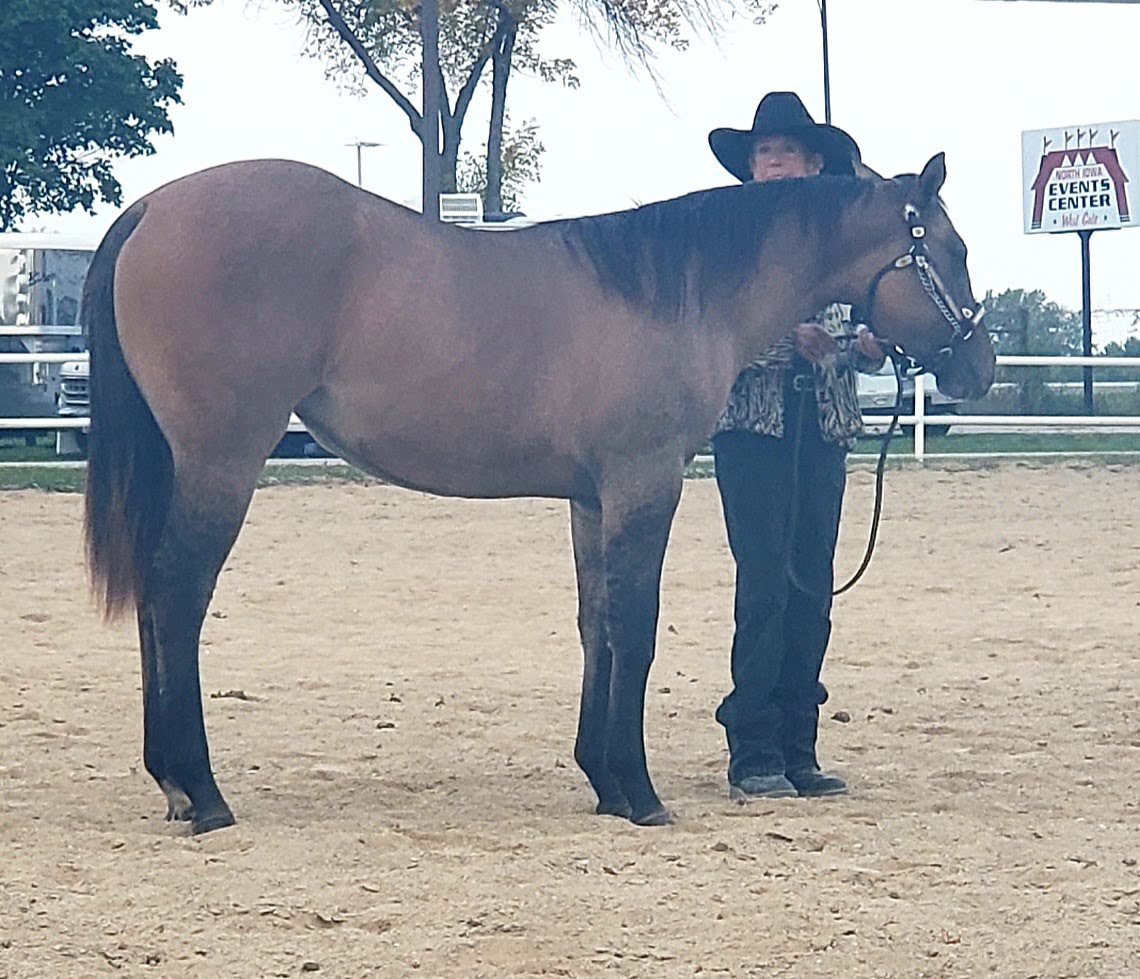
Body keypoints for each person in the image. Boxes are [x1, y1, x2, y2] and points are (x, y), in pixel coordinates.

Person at [707, 92, 886, 800]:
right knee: (765, 584)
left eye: (786, 152)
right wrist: (788, 341)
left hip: (824, 424)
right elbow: (715, 333)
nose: (773, 164)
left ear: (816, 164)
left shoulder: (841, 249)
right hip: (754, 426)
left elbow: (862, 324)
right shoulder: (725, 246)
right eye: (764, 153)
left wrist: (865, 345)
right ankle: (751, 744)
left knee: (812, 583)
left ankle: (798, 742)